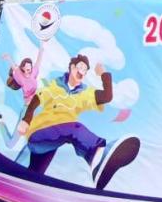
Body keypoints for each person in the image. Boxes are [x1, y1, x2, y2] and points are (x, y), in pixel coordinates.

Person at [16, 54, 139, 190]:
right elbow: (36, 100)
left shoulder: (85, 93)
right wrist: (26, 120)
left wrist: (103, 74)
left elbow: (107, 96)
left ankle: (23, 187)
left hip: (54, 141)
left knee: (35, 174)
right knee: (75, 129)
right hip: (39, 132)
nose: (82, 71)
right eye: (80, 67)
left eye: (85, 70)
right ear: (71, 67)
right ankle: (96, 156)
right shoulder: (55, 85)